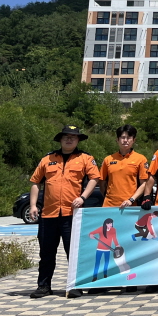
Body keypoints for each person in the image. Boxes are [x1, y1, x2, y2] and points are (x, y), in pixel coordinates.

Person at [28, 124, 100, 299]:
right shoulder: (47, 159)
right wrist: (33, 205)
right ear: (60, 139)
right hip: (49, 214)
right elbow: (36, 182)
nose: (69, 139)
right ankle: (43, 286)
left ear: (78, 140)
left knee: (74, 253)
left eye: (73, 137)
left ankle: (75, 286)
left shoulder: (85, 158)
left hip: (72, 214)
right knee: (46, 253)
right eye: (66, 136)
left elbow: (95, 178)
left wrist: (83, 197)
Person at [100, 124, 149, 210]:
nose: (125, 140)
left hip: (130, 206)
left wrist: (131, 200)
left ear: (134, 140)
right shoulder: (108, 159)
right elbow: (102, 181)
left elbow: (144, 184)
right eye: (123, 137)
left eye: (129, 138)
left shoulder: (141, 159)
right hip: (109, 206)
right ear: (117, 140)